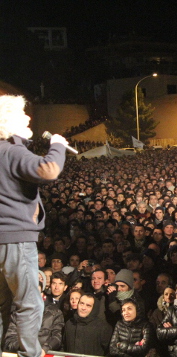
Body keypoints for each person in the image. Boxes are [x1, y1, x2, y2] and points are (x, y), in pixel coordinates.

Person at [0, 95, 68, 357]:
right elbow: (49, 169)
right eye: (22, 114)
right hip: (16, 239)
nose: (28, 118)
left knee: (2, 303)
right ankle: (32, 354)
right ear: (7, 121)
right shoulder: (13, 151)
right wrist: (58, 146)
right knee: (29, 303)